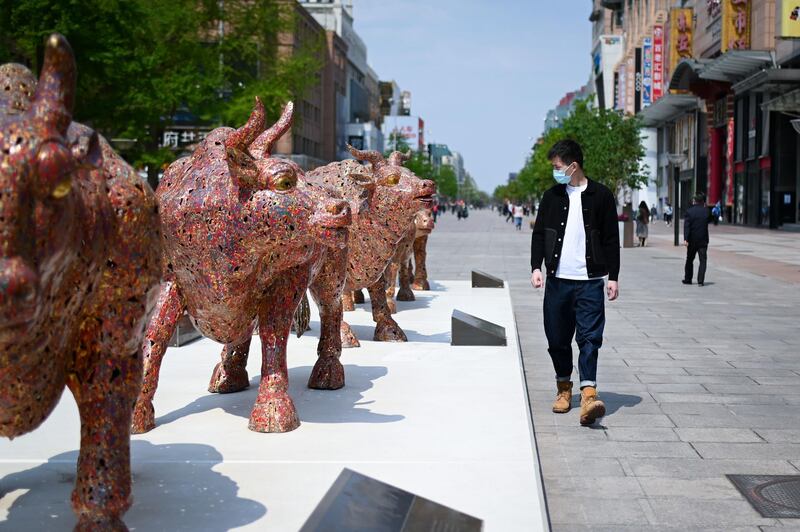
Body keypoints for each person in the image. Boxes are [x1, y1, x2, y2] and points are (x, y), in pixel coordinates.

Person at [530, 139, 620, 426]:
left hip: (590, 280)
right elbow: (540, 235)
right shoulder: (552, 196)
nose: (555, 172)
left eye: (557, 167)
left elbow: (611, 240)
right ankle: (564, 389)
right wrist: (536, 267)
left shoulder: (601, 195)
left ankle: (589, 394)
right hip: (558, 280)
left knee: (590, 338)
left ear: (573, 165)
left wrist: (613, 276)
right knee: (557, 339)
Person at [683, 193, 712, 287]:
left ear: (695, 201)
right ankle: (700, 280)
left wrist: (686, 239)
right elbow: (710, 220)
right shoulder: (706, 211)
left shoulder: (689, 211)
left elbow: (687, 226)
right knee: (703, 260)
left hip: (692, 240)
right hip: (703, 240)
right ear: (703, 202)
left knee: (689, 259)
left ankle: (688, 279)